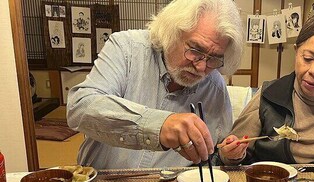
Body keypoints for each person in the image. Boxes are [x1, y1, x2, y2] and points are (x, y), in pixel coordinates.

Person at [67, 0, 243, 169]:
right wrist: (159, 124)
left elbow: (213, 157)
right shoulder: (126, 49)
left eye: (213, 58)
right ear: (172, 32)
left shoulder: (215, 87)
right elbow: (79, 108)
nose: (201, 66)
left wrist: (227, 155)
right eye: (195, 50)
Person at [218, 12, 314, 165]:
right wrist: (231, 155)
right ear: (296, 52)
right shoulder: (269, 95)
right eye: (308, 58)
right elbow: (229, 156)